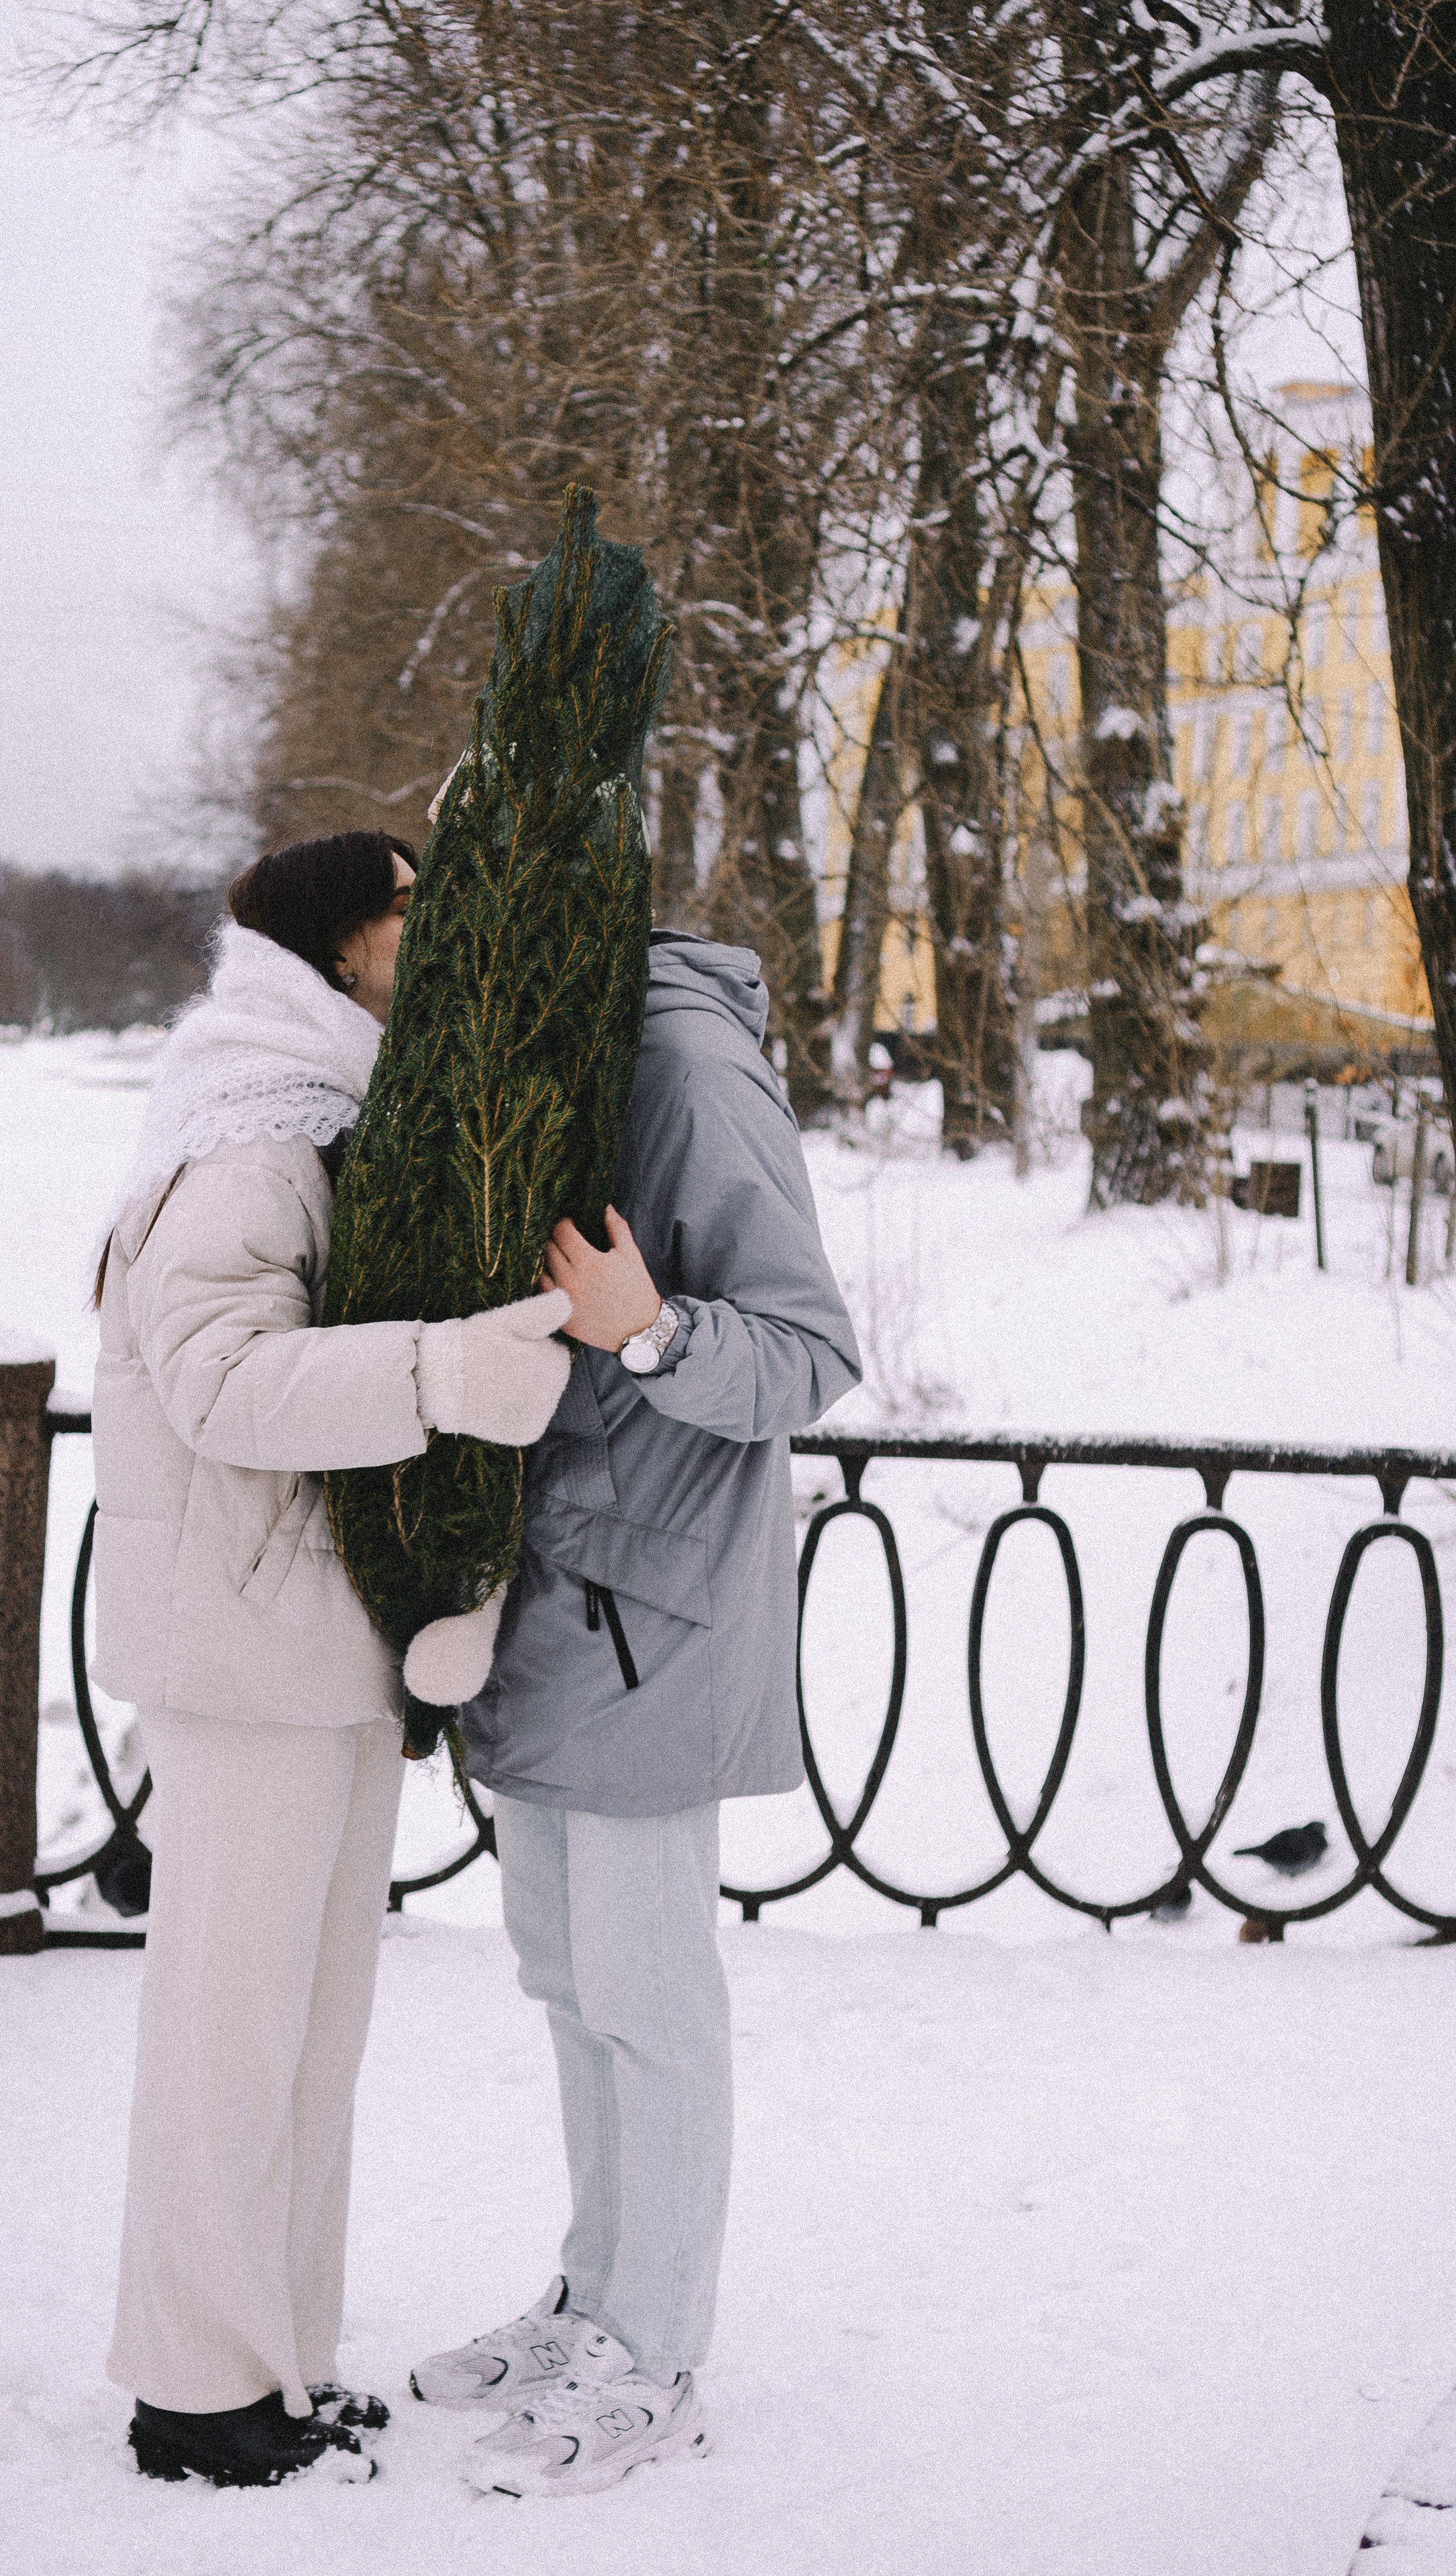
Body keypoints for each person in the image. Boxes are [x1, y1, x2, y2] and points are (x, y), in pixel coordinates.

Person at [91, 830, 573, 2490]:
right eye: (407, 916)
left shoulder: (314, 1109)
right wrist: (444, 1375)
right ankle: (195, 2387)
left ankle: (271, 2361)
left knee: (302, 2030)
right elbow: (224, 1384)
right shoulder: (253, 1136)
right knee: (234, 2031)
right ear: (341, 948)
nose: (427, 942)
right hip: (245, 1650)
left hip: (300, 1638)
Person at [413, 928, 862, 2497]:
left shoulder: (677, 1060)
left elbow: (810, 1352)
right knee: (567, 1979)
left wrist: (651, 1328)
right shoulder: (546, 1047)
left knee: (649, 2000)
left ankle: (655, 2353)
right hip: (552, 1601)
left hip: (648, 1615)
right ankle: (595, 2299)